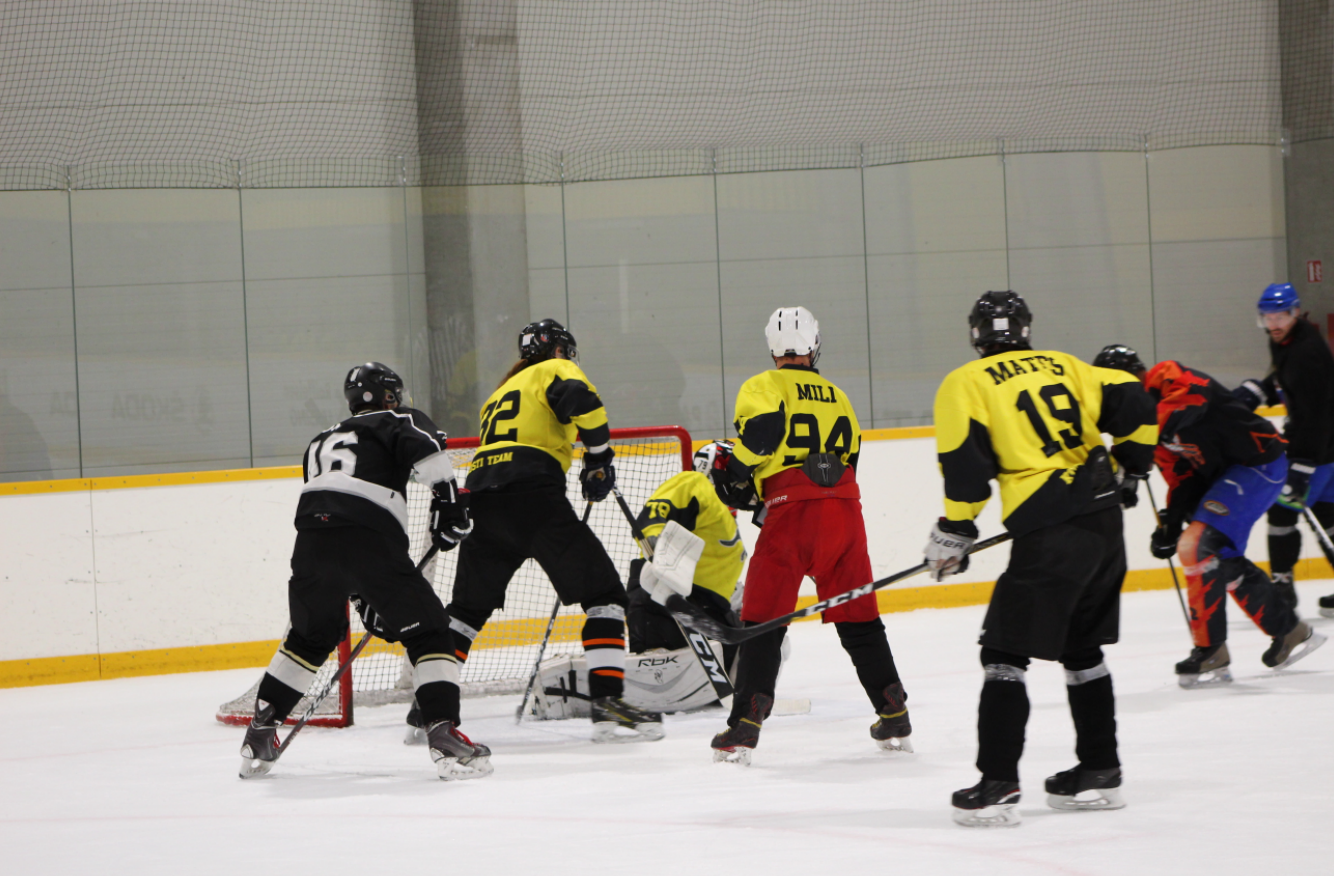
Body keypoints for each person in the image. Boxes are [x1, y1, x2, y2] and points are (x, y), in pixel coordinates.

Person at [926, 292, 1157, 827]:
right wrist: (1133, 466)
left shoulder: (966, 381)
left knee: (1003, 655)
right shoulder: (1067, 365)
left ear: (976, 335)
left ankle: (998, 783)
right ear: (1025, 330)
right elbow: (1135, 397)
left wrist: (956, 529)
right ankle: (1100, 768)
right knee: (1083, 650)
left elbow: (964, 465)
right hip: (1103, 521)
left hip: (1051, 528)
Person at [239, 362, 489, 780]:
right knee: (430, 633)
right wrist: (450, 506)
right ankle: (444, 732)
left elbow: (334, 509)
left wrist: (359, 594)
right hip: (369, 537)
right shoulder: (396, 419)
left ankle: (260, 732)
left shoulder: (320, 439)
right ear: (389, 395)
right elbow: (429, 451)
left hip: (311, 543)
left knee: (307, 639)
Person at [708, 306, 911, 766]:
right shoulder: (839, 395)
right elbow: (852, 458)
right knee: (859, 616)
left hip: (791, 513)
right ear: (814, 345)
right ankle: (893, 710)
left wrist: (736, 470)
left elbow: (762, 435)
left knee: (763, 620)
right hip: (845, 512)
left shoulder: (764, 384)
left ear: (773, 348)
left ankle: (746, 722)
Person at [443, 319, 663, 742]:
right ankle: (608, 704)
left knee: (466, 613)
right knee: (605, 597)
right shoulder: (555, 369)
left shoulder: (498, 393)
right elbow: (583, 401)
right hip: (533, 497)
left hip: (483, 500)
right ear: (559, 350)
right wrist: (598, 460)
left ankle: (429, 709)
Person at [1101, 349, 1323, 686]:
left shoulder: (1167, 377)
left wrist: (1138, 436)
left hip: (1258, 463)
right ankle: (1290, 630)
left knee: (1197, 546)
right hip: (1227, 477)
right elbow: (1181, 477)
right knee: (1221, 558)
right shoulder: (1149, 429)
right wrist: (1171, 523)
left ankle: (1210, 650)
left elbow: (1195, 397)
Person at [1231, 283, 1334, 614]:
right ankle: (1283, 585)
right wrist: (1259, 391)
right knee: (1328, 515)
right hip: (1324, 448)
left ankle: (1282, 588)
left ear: (1295, 313)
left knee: (1281, 512)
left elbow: (1317, 415)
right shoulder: (1286, 339)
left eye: (1280, 316)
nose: (1274, 324)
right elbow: (1284, 379)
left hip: (1320, 449)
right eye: (1267, 317)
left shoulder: (1308, 352)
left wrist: (1302, 465)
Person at [624, 440, 748, 709]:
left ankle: (746, 690)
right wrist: (658, 551)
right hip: (664, 605)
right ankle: (651, 663)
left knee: (771, 642)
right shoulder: (695, 483)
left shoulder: (726, 520)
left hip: (707, 619)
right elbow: (655, 515)